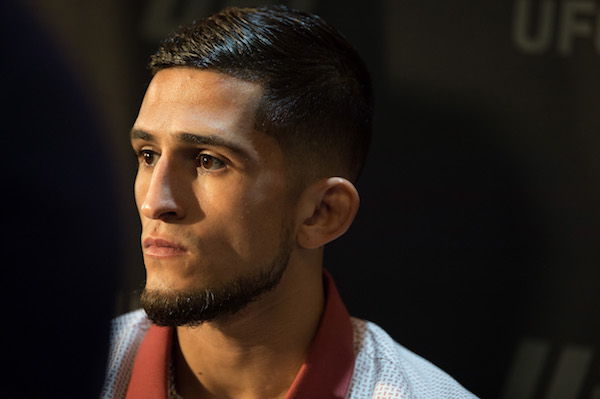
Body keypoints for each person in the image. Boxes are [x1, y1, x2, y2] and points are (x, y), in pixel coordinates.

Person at [101, 5, 477, 399]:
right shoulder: (49, 374)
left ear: (322, 213)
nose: (155, 203)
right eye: (147, 155)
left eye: (209, 161)